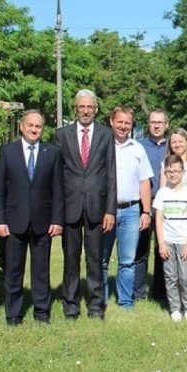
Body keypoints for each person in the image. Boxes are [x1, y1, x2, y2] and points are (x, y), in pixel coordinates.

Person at [0, 109, 64, 325]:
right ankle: (13, 314)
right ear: (22, 127)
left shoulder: (51, 153)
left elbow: (58, 190)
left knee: (41, 270)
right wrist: (0, 220)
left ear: (43, 129)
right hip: (14, 222)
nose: (34, 129)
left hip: (43, 223)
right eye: (30, 125)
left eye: (38, 126)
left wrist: (57, 220)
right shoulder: (7, 152)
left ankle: (42, 312)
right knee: (14, 271)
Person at [55, 89, 116, 320]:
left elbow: (111, 174)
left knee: (94, 260)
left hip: (96, 207)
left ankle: (95, 307)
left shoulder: (105, 134)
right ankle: (70, 306)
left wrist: (110, 210)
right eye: (82, 107)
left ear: (96, 109)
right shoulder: (61, 135)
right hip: (70, 207)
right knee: (71, 259)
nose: (86, 111)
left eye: (90, 107)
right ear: (75, 108)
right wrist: (57, 212)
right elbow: (57, 175)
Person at [101, 106, 153, 309]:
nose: (123, 126)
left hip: (131, 210)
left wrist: (146, 211)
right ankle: (101, 300)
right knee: (102, 260)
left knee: (128, 261)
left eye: (127, 123)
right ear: (111, 122)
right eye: (120, 122)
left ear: (132, 125)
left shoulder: (137, 148)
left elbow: (144, 182)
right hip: (106, 210)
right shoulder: (103, 146)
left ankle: (125, 301)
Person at [160, 127, 187, 300]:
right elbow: (163, 190)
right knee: (174, 260)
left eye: (180, 140)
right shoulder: (166, 164)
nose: (177, 144)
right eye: (173, 141)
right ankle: (175, 298)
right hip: (172, 216)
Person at [153, 154, 187, 322]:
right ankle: (174, 309)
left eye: (176, 171)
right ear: (165, 173)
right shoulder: (162, 193)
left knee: (185, 276)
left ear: (183, 172)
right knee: (170, 276)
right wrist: (161, 244)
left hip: (183, 241)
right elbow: (158, 219)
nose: (172, 174)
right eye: (169, 171)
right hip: (168, 241)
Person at [134, 109, 169, 301]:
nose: (156, 126)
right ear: (148, 124)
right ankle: (138, 292)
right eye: (153, 122)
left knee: (162, 250)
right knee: (141, 249)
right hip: (144, 204)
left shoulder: (173, 145)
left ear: (166, 124)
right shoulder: (139, 146)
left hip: (165, 206)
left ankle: (160, 292)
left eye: (160, 122)